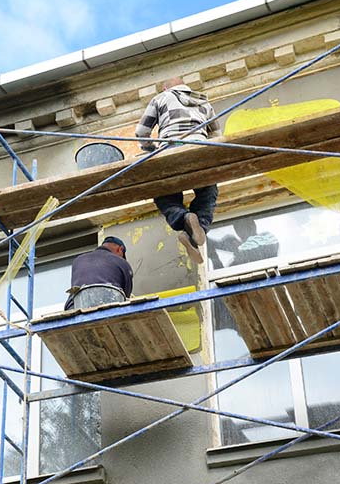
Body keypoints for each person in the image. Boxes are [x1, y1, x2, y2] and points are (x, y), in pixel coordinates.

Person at [135, 76, 222, 264]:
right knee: (208, 191)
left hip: (172, 148)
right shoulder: (204, 102)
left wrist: (150, 150)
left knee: (165, 194)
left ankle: (183, 220)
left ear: (165, 87)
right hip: (200, 149)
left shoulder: (161, 98)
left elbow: (141, 132)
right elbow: (217, 134)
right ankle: (196, 232)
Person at [64, 236, 133, 310]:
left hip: (75, 307)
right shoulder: (122, 262)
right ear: (120, 249)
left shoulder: (78, 260)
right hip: (108, 305)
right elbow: (125, 298)